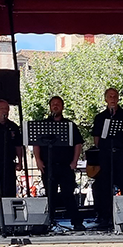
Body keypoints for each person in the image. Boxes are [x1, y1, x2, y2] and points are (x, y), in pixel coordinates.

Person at [35, 95, 84, 230]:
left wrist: (74, 161)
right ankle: (48, 222)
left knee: (68, 194)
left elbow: (78, 144)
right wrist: (38, 160)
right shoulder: (43, 124)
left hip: (65, 165)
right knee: (50, 195)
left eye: (58, 104)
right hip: (48, 165)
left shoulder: (70, 125)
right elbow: (36, 144)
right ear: (50, 107)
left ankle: (77, 222)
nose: (55, 106)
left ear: (62, 107)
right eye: (53, 104)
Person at [91, 88, 123, 225]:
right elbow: (96, 139)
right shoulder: (100, 117)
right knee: (103, 185)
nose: (113, 98)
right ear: (105, 99)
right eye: (110, 96)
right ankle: (104, 215)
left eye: (115, 96)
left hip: (122, 155)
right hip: (106, 155)